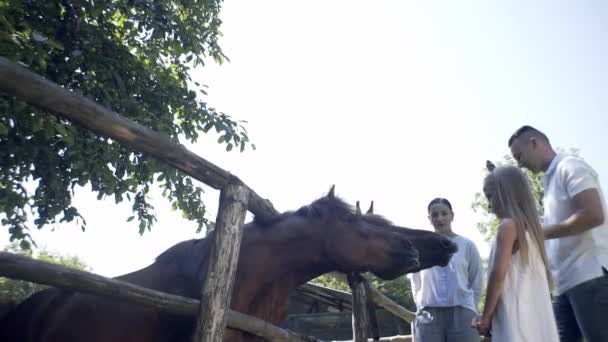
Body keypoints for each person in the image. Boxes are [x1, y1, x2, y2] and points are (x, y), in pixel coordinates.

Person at [508, 125, 608, 342]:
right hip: (564, 284)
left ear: (534, 143)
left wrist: (539, 232)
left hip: (588, 275)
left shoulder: (570, 166)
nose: (519, 164)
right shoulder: (549, 181)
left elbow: (593, 214)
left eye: (519, 156)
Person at [473, 165, 559, 341]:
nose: (489, 205)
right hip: (536, 319)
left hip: (514, 316)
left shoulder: (508, 226)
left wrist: (486, 316)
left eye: (490, 196)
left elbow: (498, 274)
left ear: (507, 193)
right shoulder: (534, 231)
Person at [408, 198, 483, 342]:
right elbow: (415, 281)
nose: (440, 218)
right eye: (434, 215)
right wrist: (421, 305)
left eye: (444, 214)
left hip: (462, 312)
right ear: (429, 218)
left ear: (452, 216)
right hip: (428, 314)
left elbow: (477, 279)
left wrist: (471, 307)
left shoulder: (467, 245)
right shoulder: (420, 247)